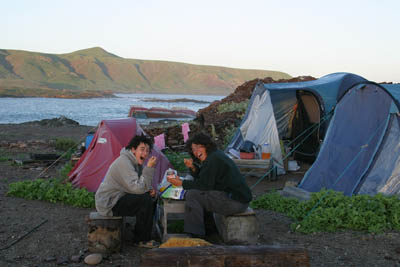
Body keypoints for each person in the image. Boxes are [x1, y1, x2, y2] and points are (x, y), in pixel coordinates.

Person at [167, 132, 252, 238]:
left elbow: (204, 185)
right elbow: (206, 178)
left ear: (207, 146)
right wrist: (193, 168)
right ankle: (210, 231)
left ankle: (196, 235)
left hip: (236, 202)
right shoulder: (214, 156)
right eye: (193, 149)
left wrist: (181, 183)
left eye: (198, 147)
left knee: (193, 195)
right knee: (200, 194)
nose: (196, 152)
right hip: (237, 199)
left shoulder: (213, 159)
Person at [95, 134, 158, 248]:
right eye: (142, 149)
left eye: (147, 151)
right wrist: (149, 168)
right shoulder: (124, 162)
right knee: (145, 200)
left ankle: (141, 232)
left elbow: (139, 183)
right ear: (133, 149)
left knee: (148, 197)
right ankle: (141, 239)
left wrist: (149, 189)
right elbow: (137, 188)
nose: (145, 153)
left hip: (118, 197)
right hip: (109, 203)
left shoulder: (135, 162)